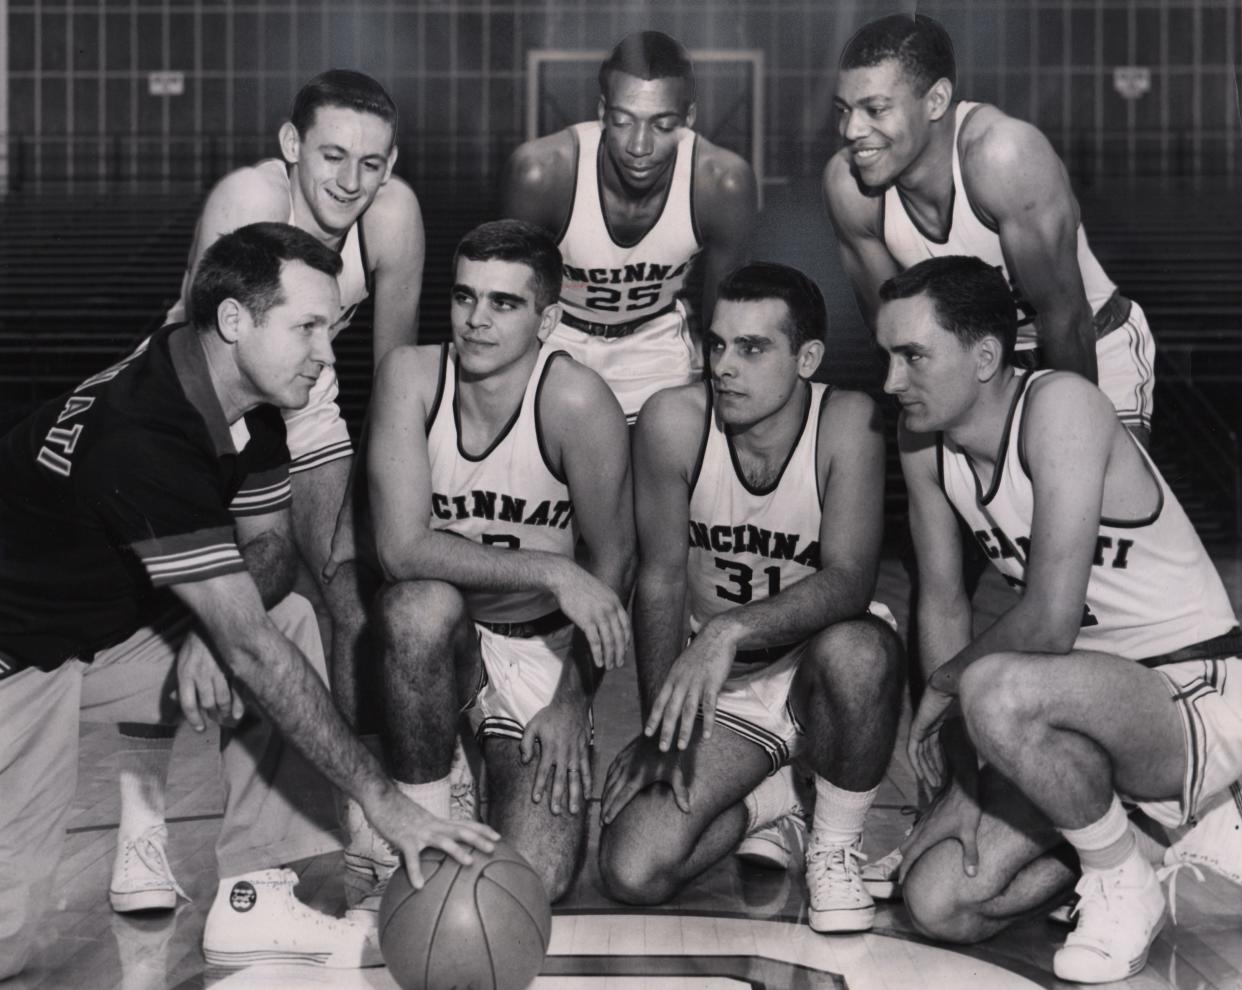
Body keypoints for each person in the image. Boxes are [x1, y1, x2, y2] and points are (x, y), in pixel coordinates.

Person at [0, 223, 497, 978]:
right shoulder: (141, 436)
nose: (327, 353)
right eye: (306, 328)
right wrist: (390, 806)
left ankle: (252, 898)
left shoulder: (244, 402)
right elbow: (254, 651)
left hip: (95, 638)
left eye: (329, 329)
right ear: (234, 321)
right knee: (7, 940)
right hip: (16, 659)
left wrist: (213, 628)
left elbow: (269, 552)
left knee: (287, 616)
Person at [110, 68, 426, 914]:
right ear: (292, 148)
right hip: (208, 391)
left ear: (390, 166)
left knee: (345, 591)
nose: (349, 182)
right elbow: (201, 346)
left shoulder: (392, 217)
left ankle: (355, 806)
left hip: (307, 391)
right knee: (179, 603)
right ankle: (140, 823)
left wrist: (376, 498)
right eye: (331, 156)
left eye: (370, 163)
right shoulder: (245, 198)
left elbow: (394, 372)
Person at [876, 255, 1240, 985]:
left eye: (913, 356)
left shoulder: (1062, 406)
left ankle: (1121, 878)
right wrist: (967, 775)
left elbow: (1046, 622)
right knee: (939, 901)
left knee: (996, 689)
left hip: (1192, 690)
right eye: (887, 356)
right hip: (1073, 707)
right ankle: (1140, 840)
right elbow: (943, 599)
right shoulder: (923, 444)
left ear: (985, 356)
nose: (891, 380)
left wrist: (947, 695)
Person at [597, 262, 903, 934]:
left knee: (863, 648)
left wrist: (726, 629)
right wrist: (662, 730)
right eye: (716, 344)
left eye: (753, 348)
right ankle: (776, 800)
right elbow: (660, 580)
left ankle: (834, 845)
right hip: (727, 688)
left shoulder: (848, 421)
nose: (725, 366)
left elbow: (850, 580)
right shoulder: (672, 421)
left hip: (818, 668)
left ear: (807, 357)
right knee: (633, 870)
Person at [366, 219, 635, 902]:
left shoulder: (576, 400)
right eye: (464, 298)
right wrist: (551, 568)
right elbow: (401, 550)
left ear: (547, 319)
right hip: (440, 645)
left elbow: (615, 564)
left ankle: (489, 758)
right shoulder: (412, 378)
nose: (476, 321)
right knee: (419, 603)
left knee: (533, 884)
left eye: (503, 304)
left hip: (540, 654)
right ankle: (428, 809)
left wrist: (573, 702)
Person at [824, 13, 1155, 444]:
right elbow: (893, 333)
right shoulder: (848, 185)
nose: (852, 130)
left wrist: (1073, 445)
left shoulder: (1003, 156)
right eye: (844, 110)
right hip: (978, 367)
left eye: (876, 109)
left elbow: (1066, 320)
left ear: (937, 100)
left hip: (1089, 342)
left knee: (1089, 496)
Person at [503, 30, 757, 424]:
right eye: (623, 121)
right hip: (556, 338)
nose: (639, 146)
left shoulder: (721, 183)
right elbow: (508, 298)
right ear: (603, 112)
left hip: (655, 347)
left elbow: (725, 316)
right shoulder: (543, 173)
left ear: (688, 119)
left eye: (662, 124)